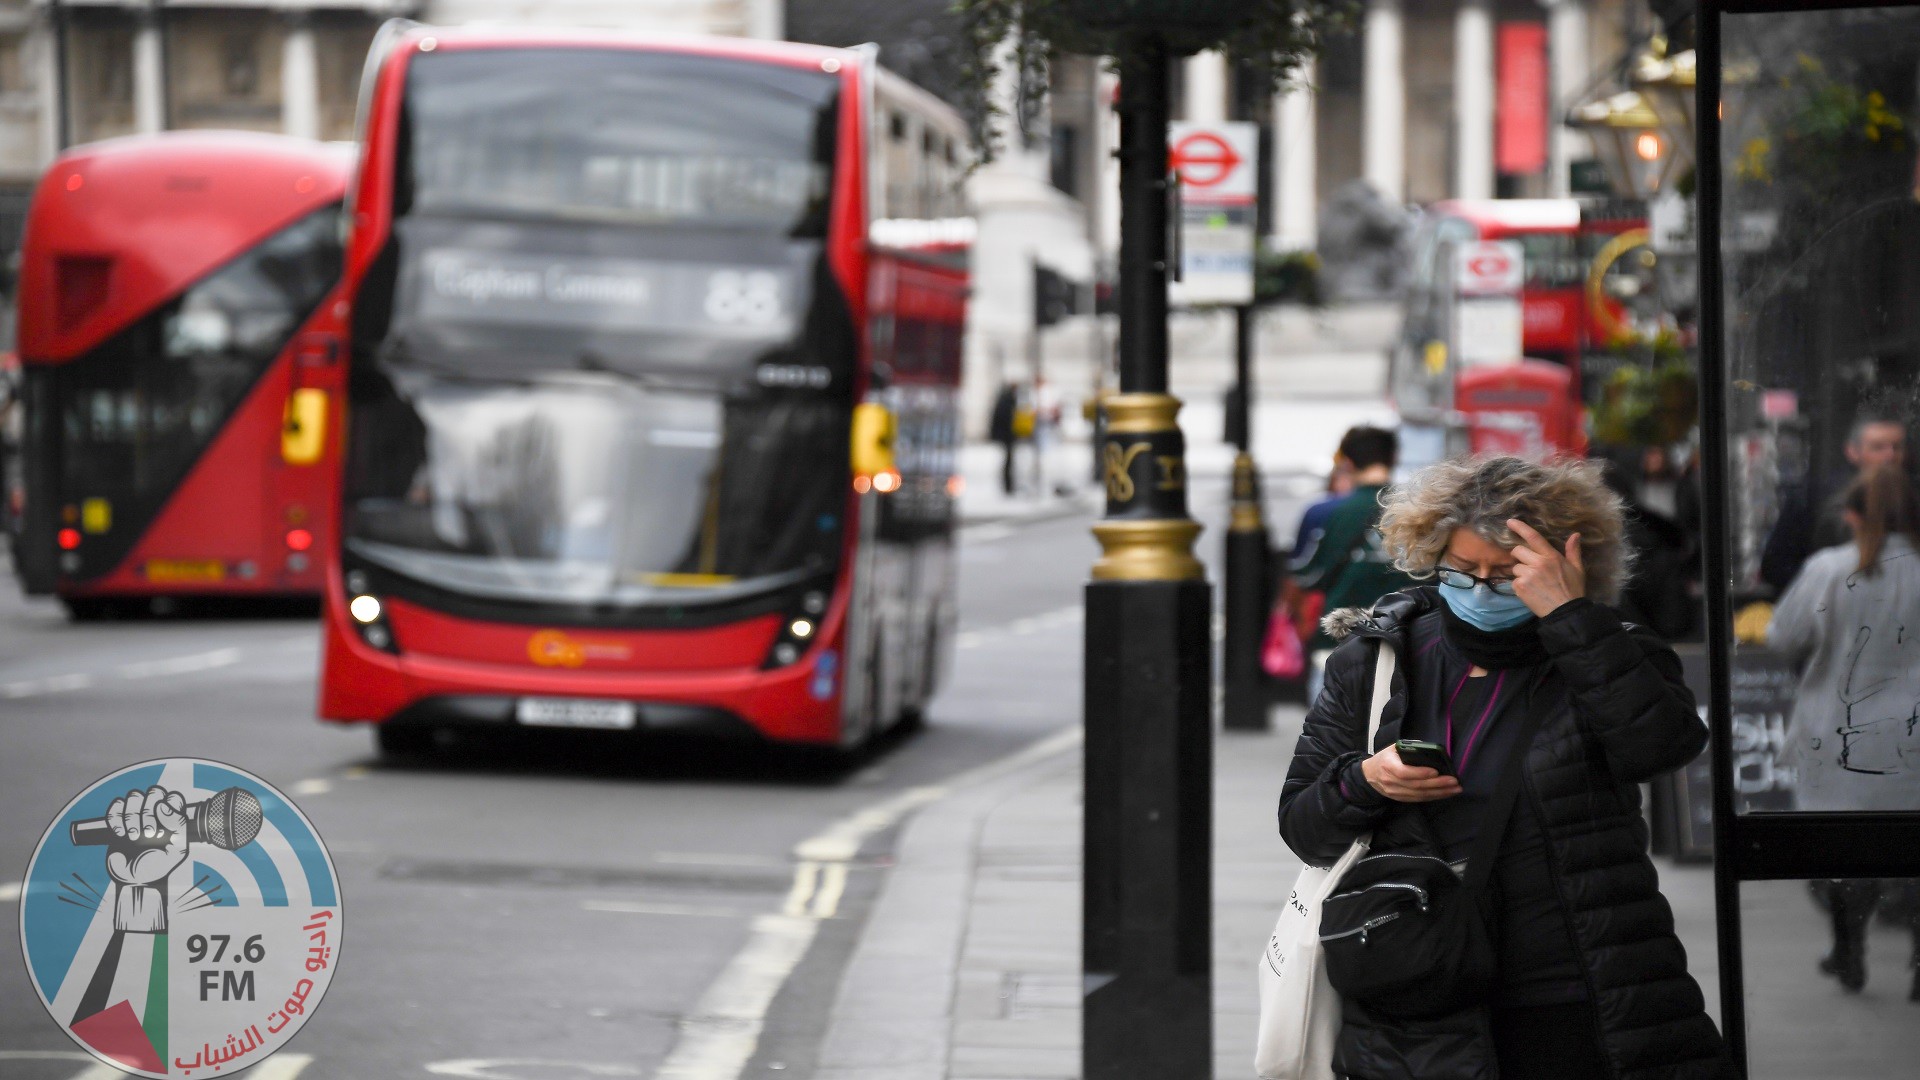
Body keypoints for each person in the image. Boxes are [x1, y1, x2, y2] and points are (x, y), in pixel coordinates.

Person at [1279, 455, 1728, 1080]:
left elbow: (1662, 746)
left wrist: (1570, 618)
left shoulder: (1606, 647)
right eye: (1464, 570)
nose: (1484, 588)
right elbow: (1303, 826)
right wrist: (1366, 780)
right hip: (1419, 995)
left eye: (1508, 572)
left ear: (1562, 561)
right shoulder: (1378, 660)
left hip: (1574, 987)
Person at [1767, 464, 1920, 999]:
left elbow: (1782, 635)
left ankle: (1847, 948)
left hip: (1838, 736)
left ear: (1852, 516)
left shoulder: (1830, 569)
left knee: (1838, 851)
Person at [1290, 426, 1418, 700]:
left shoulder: (1324, 513)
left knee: (1330, 733)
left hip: (1337, 643)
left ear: (1346, 462)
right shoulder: (1418, 513)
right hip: (1407, 644)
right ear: (1394, 458)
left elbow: (1303, 578)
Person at [1760, 409, 1907, 593]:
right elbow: (1776, 566)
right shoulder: (1814, 499)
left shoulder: (1910, 499)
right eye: (1878, 447)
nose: (1890, 456)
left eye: (1897, 447)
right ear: (1853, 451)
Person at [989, 382, 1020, 496]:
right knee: (1009, 461)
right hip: (1008, 436)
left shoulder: (1004, 400)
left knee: (1009, 461)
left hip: (1007, 436)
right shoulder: (1008, 402)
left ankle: (1009, 486)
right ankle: (1008, 486)